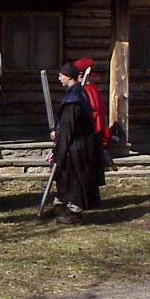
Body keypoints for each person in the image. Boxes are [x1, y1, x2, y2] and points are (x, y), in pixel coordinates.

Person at [50, 62, 104, 225]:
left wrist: (60, 150)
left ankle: (74, 213)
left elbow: (68, 127)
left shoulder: (74, 99)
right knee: (65, 177)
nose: (59, 79)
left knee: (75, 178)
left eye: (60, 75)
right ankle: (62, 206)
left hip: (78, 146)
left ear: (67, 76)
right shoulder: (77, 93)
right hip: (77, 143)